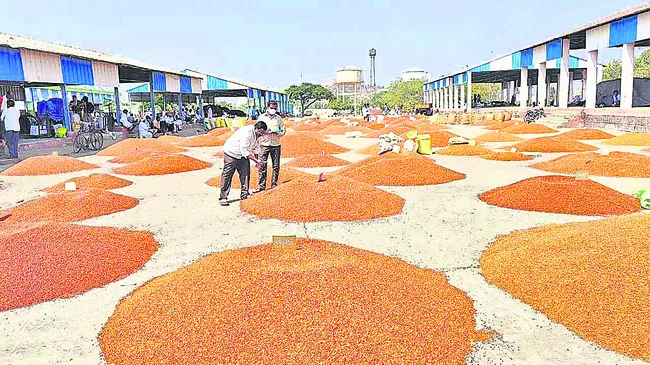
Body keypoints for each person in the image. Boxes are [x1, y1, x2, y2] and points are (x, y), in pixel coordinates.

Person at [219, 121, 268, 206]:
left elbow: (255, 147)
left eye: (263, 133)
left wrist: (257, 160)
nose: (261, 135)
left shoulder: (257, 135)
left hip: (243, 156)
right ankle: (223, 197)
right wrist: (256, 161)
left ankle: (244, 195)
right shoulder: (247, 133)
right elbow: (244, 150)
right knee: (227, 175)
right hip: (232, 153)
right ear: (255, 128)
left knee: (245, 174)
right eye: (260, 132)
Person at [255, 100, 285, 193]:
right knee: (262, 165)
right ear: (267, 107)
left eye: (275, 108)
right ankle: (262, 186)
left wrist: (278, 133)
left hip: (276, 144)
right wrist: (266, 132)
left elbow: (283, 130)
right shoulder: (261, 117)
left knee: (276, 166)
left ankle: (274, 184)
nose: (273, 110)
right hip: (264, 144)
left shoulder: (278, 118)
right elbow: (257, 129)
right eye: (272, 108)